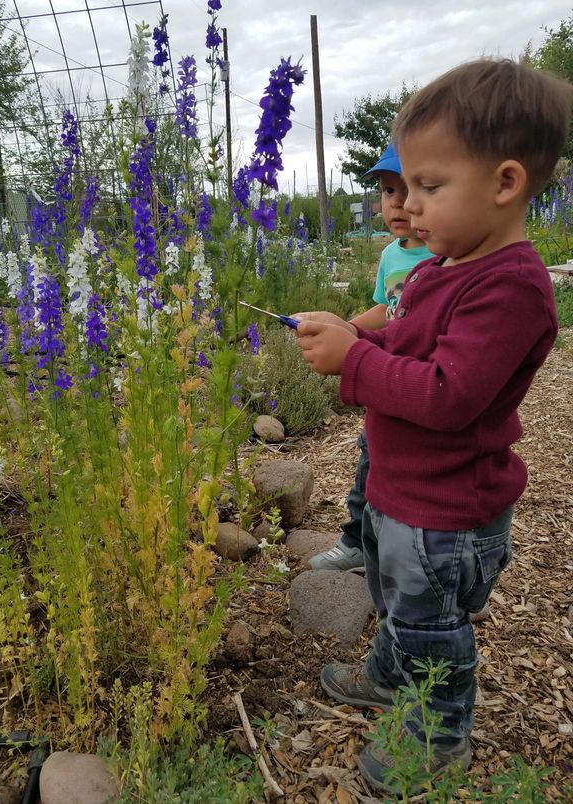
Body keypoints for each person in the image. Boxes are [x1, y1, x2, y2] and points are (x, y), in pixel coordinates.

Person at [294, 58, 571, 794]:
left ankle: (438, 733)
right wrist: (356, 336)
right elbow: (405, 339)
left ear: (505, 184)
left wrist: (353, 363)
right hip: (403, 494)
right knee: (396, 603)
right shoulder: (440, 266)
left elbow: (449, 393)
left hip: (447, 514)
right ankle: (390, 676)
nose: (408, 206)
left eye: (429, 186)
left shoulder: (511, 287)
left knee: (431, 626)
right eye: (406, 186)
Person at [309, 143, 433, 572]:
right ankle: (358, 540)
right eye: (386, 191)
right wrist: (347, 328)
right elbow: (385, 309)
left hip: (417, 379)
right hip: (386, 374)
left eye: (408, 189)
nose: (397, 204)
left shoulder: (445, 256)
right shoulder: (390, 255)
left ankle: (440, 567)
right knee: (368, 462)